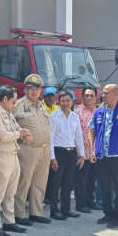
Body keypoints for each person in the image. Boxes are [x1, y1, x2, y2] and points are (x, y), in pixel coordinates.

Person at [88, 84, 118, 228]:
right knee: (105, 186)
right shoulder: (99, 112)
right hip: (103, 156)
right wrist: (91, 149)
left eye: (106, 93)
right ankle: (108, 213)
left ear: (115, 94)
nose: (102, 96)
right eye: (102, 93)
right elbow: (91, 130)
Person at [0, 86, 31, 236]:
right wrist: (20, 133)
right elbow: (3, 135)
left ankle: (10, 221)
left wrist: (24, 134)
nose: (14, 105)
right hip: (2, 156)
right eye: (13, 101)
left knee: (10, 193)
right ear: (5, 99)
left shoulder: (8, 114)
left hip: (13, 155)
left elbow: (19, 128)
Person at [12, 74, 52, 226]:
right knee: (23, 182)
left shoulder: (42, 106)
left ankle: (36, 213)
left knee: (39, 184)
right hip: (27, 149)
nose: (34, 92)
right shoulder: (18, 105)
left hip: (43, 149)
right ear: (25, 89)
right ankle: (18, 214)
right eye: (31, 89)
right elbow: (8, 123)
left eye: (37, 89)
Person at [48, 90, 85, 220]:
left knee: (68, 183)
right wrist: (52, 158)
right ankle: (54, 211)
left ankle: (66, 209)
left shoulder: (75, 117)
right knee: (55, 183)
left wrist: (81, 155)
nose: (65, 103)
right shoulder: (53, 117)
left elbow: (79, 137)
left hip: (71, 153)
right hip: (59, 152)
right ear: (59, 102)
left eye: (68, 101)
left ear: (72, 102)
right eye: (62, 101)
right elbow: (50, 139)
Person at [74, 86, 101, 213]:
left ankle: (90, 201)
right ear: (82, 97)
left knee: (92, 179)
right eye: (86, 96)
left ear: (96, 97)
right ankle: (80, 204)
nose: (89, 98)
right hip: (83, 152)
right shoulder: (77, 113)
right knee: (81, 179)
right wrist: (79, 153)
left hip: (96, 151)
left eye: (91, 96)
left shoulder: (98, 112)